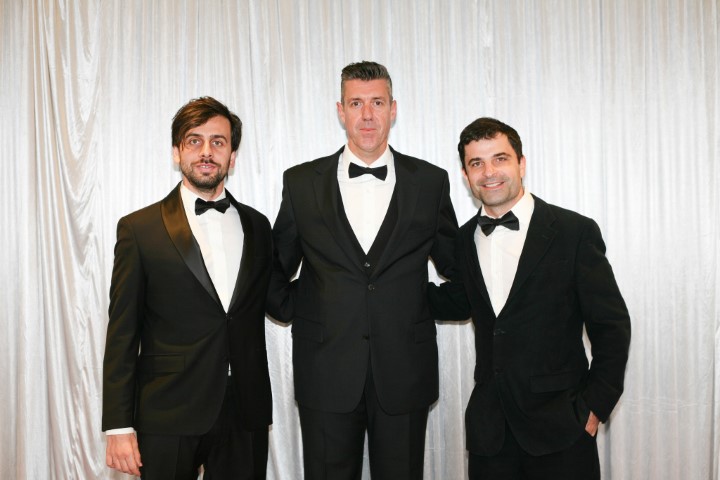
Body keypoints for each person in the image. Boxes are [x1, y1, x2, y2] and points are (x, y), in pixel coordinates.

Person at [267, 61, 458, 479]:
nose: (367, 115)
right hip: (324, 369)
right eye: (356, 103)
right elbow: (274, 269)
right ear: (341, 111)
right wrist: (308, 304)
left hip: (405, 371)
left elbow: (458, 269)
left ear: (393, 109)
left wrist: (422, 301)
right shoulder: (301, 182)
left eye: (377, 102)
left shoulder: (431, 182)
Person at [429, 117, 631, 479]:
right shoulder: (462, 240)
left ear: (521, 164)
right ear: (465, 174)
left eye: (500, 159)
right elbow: (458, 301)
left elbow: (611, 326)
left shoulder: (574, 232)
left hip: (563, 428)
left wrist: (594, 407)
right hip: (491, 434)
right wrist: (385, 287)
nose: (489, 172)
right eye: (477, 163)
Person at [102, 96, 272, 479]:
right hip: (167, 412)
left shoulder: (259, 227)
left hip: (245, 412)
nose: (206, 152)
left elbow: (272, 299)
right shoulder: (139, 230)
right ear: (177, 152)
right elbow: (122, 334)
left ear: (232, 156)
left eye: (218, 141)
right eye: (195, 141)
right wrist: (118, 425)